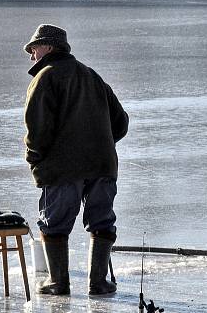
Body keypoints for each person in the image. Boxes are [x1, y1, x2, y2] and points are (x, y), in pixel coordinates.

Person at [23, 24, 129, 296]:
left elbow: (37, 130)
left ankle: (58, 282)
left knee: (54, 224)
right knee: (101, 222)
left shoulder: (45, 78)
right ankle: (98, 283)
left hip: (63, 169)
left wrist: (35, 160)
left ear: (48, 47)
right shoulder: (92, 75)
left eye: (34, 49)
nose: (32, 55)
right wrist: (99, 145)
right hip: (103, 166)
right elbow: (121, 122)